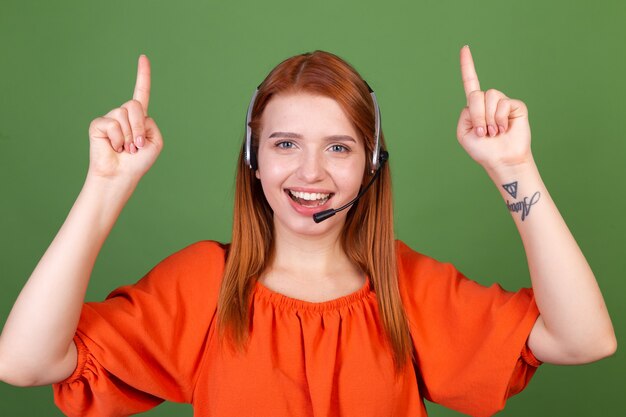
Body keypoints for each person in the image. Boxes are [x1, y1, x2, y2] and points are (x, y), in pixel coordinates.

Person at [0, 47, 616, 417]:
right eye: (286, 143)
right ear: (254, 158)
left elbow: (584, 339)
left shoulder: (406, 289)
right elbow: (25, 363)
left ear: (371, 163)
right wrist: (105, 187)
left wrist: (514, 167)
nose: (311, 172)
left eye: (339, 147)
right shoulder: (204, 285)